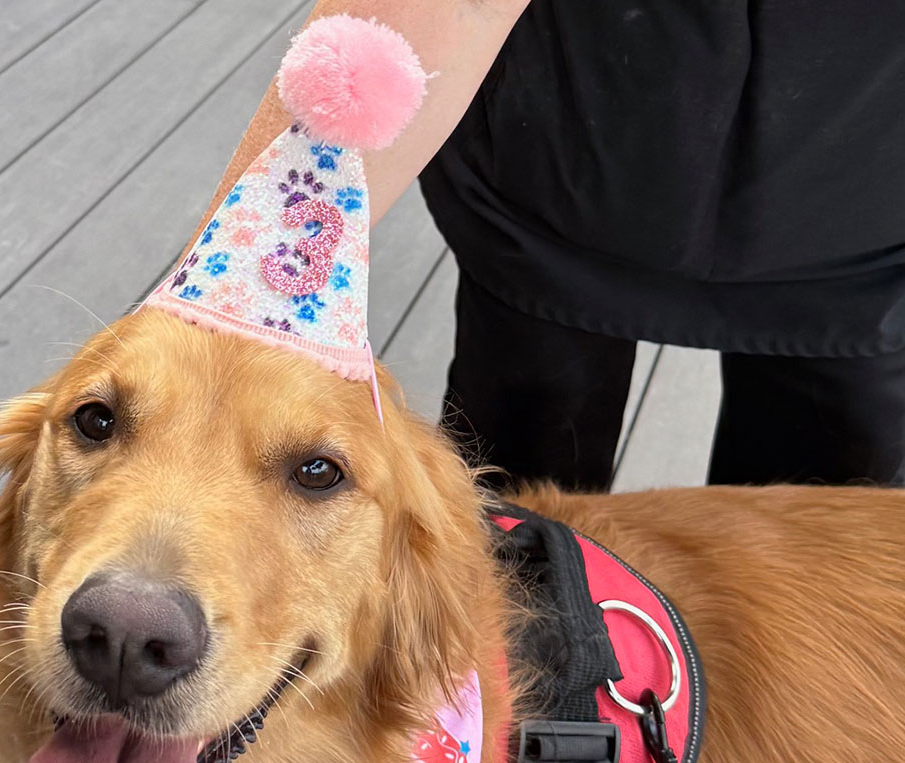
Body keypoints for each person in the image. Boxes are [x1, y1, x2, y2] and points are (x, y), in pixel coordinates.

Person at [196, 0, 905, 489]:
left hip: (866, 184)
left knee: (821, 546)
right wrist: (226, 293)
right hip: (568, 147)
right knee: (515, 524)